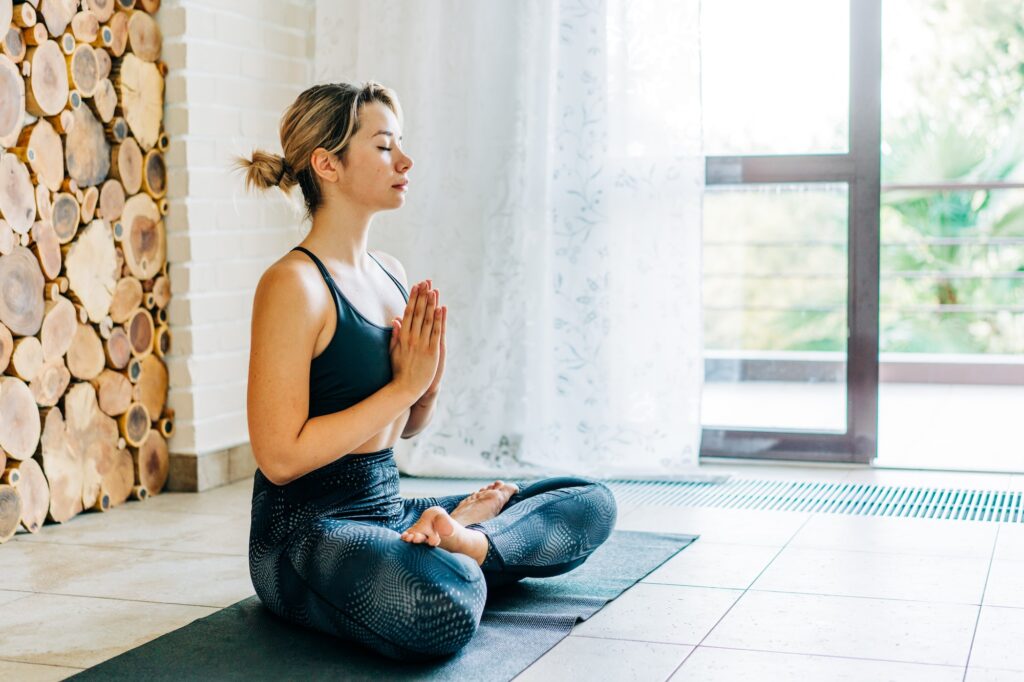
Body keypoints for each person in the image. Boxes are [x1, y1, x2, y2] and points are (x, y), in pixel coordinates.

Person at [234, 81, 617, 661]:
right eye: (385, 146)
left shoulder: (389, 272)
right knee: (446, 602)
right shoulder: (294, 285)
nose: (405, 161)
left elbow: (404, 428)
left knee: (589, 501)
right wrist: (405, 385)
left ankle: (463, 537)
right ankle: (469, 547)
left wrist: (426, 388)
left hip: (389, 508)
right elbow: (280, 457)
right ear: (328, 163)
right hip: (308, 533)